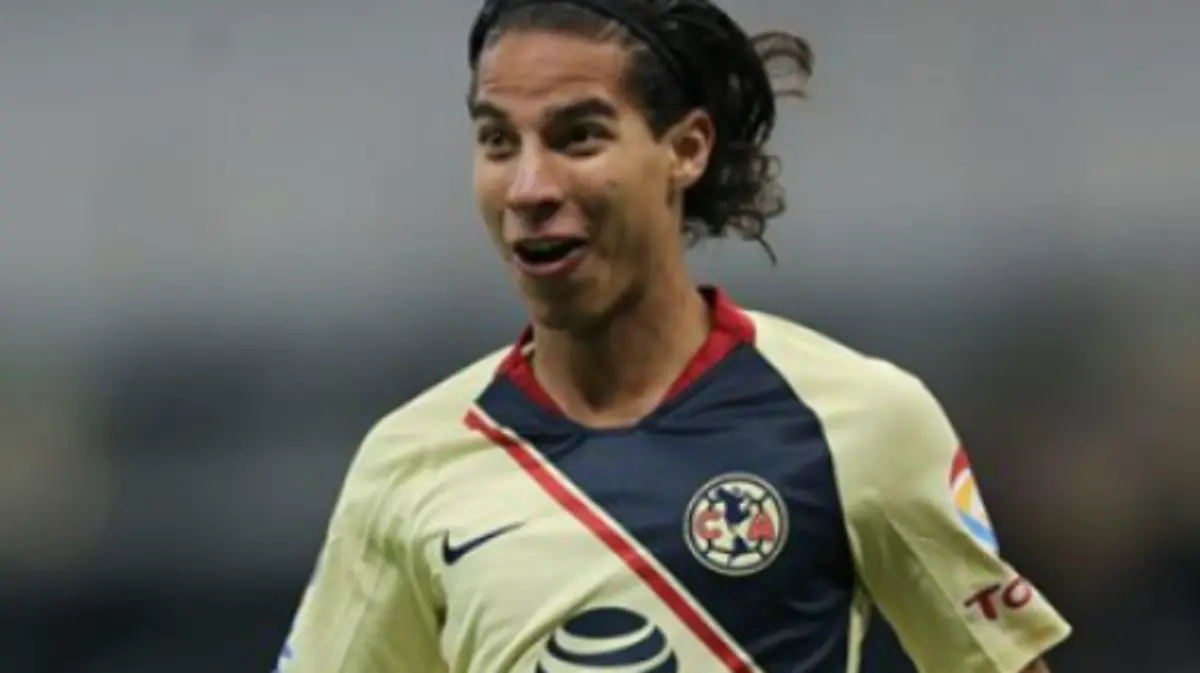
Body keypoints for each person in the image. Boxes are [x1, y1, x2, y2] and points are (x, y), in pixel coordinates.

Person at [275, 1, 1071, 671]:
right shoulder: (408, 461)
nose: (528, 187)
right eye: (497, 141)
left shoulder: (858, 419)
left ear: (685, 149)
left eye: (578, 137)